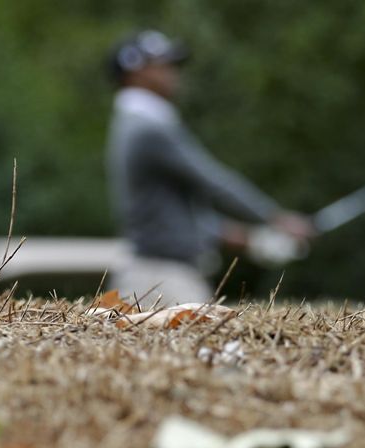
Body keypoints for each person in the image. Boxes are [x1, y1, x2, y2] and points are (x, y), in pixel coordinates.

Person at [105, 30, 313, 305]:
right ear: (136, 73)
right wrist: (276, 218)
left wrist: (250, 240)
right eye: (163, 65)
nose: (174, 72)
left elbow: (171, 210)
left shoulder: (137, 123)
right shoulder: (148, 128)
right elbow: (214, 181)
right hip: (164, 278)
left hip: (156, 274)